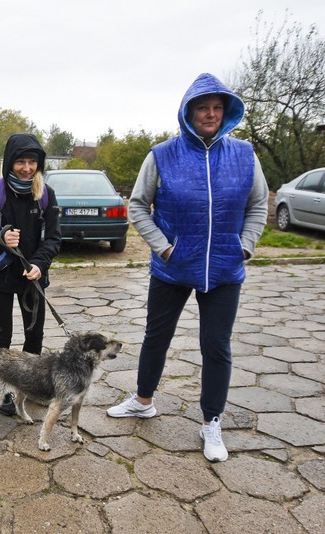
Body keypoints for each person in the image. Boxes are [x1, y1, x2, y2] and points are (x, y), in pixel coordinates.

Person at [105, 73, 269, 463]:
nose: (210, 114)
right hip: (173, 267)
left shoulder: (244, 154)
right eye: (202, 108)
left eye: (217, 108)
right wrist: (162, 248)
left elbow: (258, 204)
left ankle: (211, 421)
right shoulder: (162, 154)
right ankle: (143, 400)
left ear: (225, 112)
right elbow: (138, 205)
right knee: (156, 337)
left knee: (216, 347)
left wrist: (244, 247)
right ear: (188, 112)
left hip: (225, 270)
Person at [0, 132, 62, 416]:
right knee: (3, 336)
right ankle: (4, 390)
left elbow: (54, 238)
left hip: (32, 278)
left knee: (34, 335)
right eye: (20, 161)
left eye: (32, 162)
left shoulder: (46, 195)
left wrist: (39, 264)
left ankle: (29, 386)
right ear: (9, 162)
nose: (26, 168)